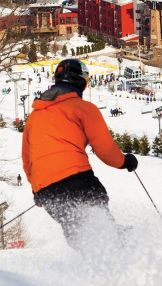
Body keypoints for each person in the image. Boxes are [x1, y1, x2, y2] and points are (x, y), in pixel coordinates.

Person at [22, 58, 138, 250]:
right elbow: (105, 150)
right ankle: (120, 254)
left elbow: (27, 160)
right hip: (77, 180)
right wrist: (125, 161)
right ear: (82, 82)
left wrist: (38, 188)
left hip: (46, 191)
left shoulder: (34, 116)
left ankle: (92, 267)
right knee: (100, 223)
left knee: (77, 233)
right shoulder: (83, 109)